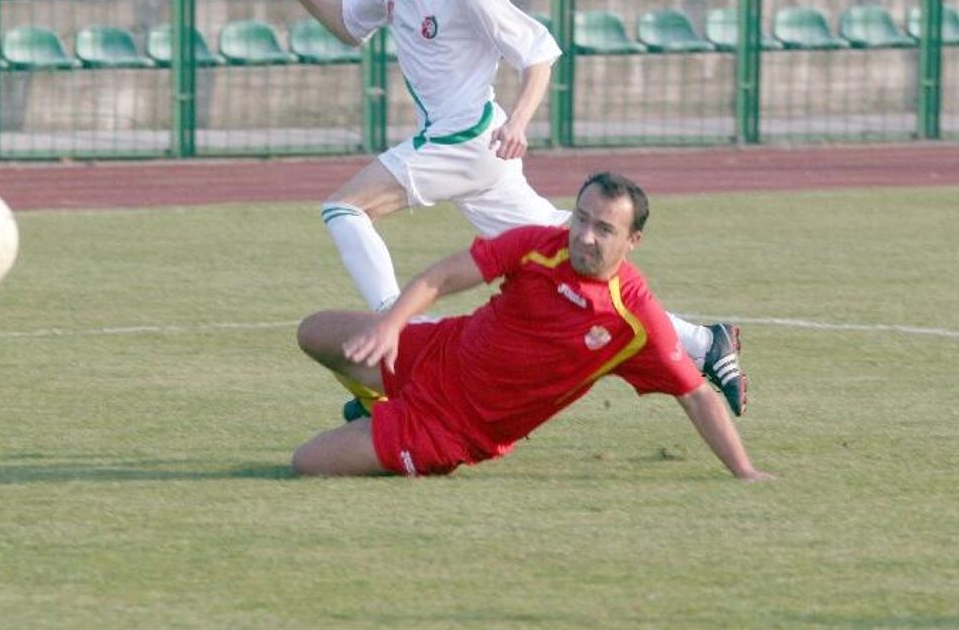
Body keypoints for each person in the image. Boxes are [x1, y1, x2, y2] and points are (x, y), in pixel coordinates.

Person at [263, 0, 746, 419]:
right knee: (561, 250)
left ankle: (397, 335)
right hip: (478, 156)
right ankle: (705, 343)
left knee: (343, 207)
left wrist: (519, 121)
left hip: (465, 141)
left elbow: (539, 54)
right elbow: (350, 28)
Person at [291, 172, 772, 481]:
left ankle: (393, 435)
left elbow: (696, 394)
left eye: (603, 229)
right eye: (580, 218)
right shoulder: (539, 245)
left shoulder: (635, 318)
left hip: (452, 428)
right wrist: (391, 327)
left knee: (307, 463)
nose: (584, 236)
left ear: (633, 240)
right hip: (435, 352)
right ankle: (379, 406)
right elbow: (442, 276)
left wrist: (745, 472)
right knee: (313, 331)